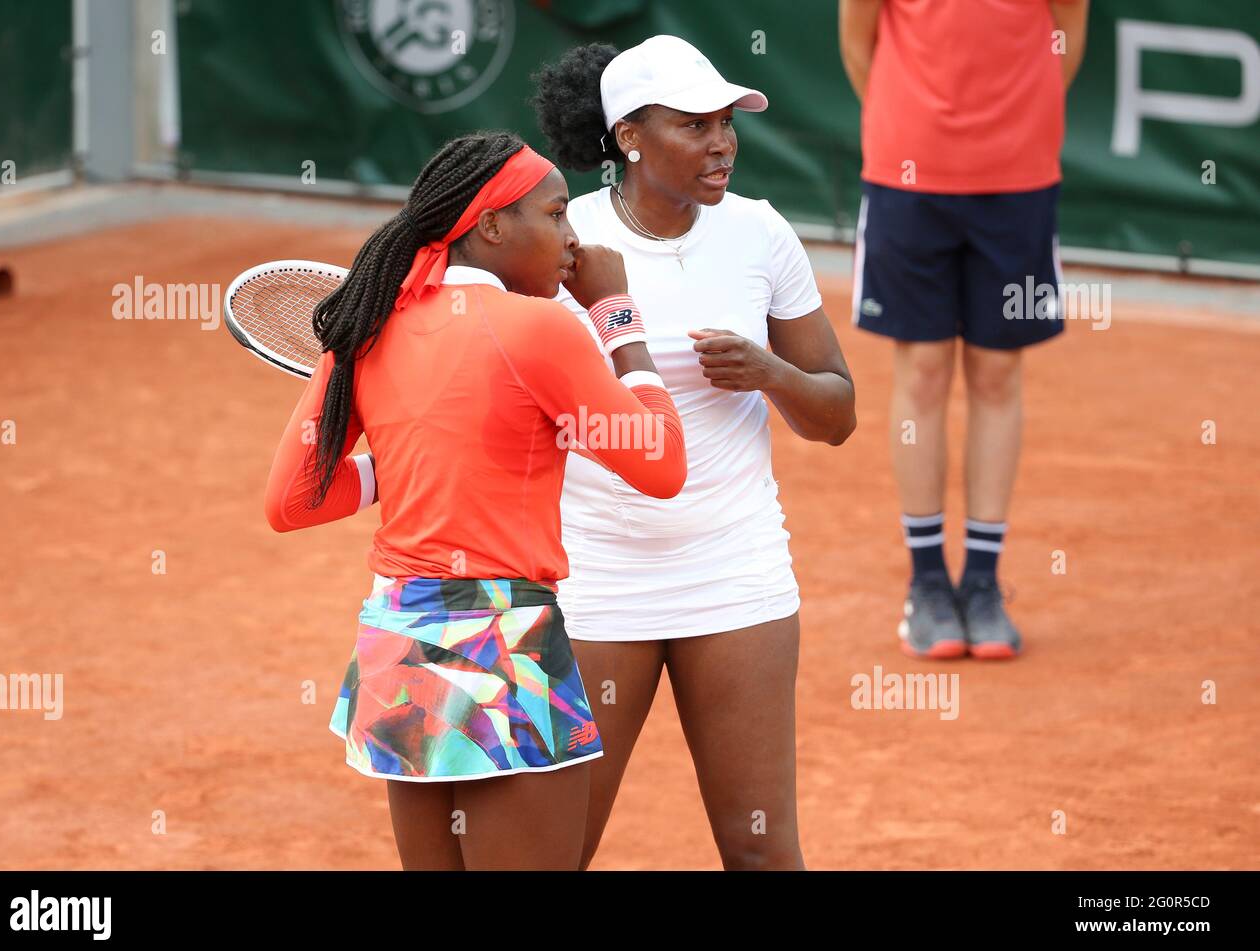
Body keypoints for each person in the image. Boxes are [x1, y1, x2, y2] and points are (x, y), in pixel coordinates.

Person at [263, 131, 687, 870]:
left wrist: (395, 470)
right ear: (491, 225)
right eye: (556, 214)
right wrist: (618, 314)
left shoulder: (366, 325)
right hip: (503, 648)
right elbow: (660, 463)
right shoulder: (540, 330)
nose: (571, 238)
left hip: (399, 646)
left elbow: (295, 501)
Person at [531, 35, 857, 870]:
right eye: (695, 125)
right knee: (557, 849)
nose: (723, 143)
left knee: (761, 852)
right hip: (593, 578)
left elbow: (837, 414)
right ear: (630, 136)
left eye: (727, 123)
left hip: (734, 572)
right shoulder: (563, 244)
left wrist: (769, 372)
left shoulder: (759, 233)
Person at [839, 0, 1088, 659]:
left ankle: (982, 583)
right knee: (921, 367)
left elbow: (1068, 31)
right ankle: (927, 583)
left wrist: (1015, 124)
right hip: (907, 177)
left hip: (1020, 179)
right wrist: (916, 127)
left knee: (999, 369)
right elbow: (857, 42)